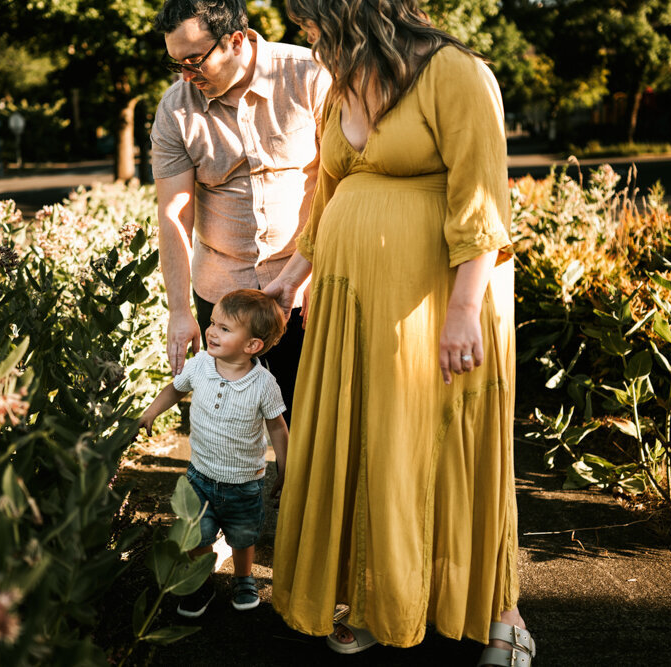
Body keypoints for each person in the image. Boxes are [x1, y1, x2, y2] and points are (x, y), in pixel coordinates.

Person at [264, 1, 534, 665]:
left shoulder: (455, 73)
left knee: (444, 445)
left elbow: (482, 202)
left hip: (436, 302)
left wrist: (464, 309)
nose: (308, 36)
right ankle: (378, 600)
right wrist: (291, 276)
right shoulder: (341, 88)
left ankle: (503, 614)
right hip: (349, 306)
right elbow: (328, 197)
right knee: (370, 445)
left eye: (312, 21)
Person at [151, 0, 331, 424]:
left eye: (194, 61)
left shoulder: (310, 75)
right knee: (230, 423)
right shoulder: (175, 109)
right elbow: (174, 215)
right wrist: (179, 310)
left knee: (313, 416)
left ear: (235, 41)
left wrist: (299, 275)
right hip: (223, 297)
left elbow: (339, 183)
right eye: (174, 63)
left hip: (309, 286)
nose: (185, 76)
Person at [138, 289, 290, 616]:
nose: (211, 331)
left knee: (243, 535)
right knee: (195, 533)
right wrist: (151, 411)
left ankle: (244, 577)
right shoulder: (200, 365)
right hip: (200, 476)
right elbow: (175, 388)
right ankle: (201, 579)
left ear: (252, 346)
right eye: (212, 322)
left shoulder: (263, 384)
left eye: (224, 328)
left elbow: (277, 426)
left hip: (243, 483)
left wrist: (284, 464)